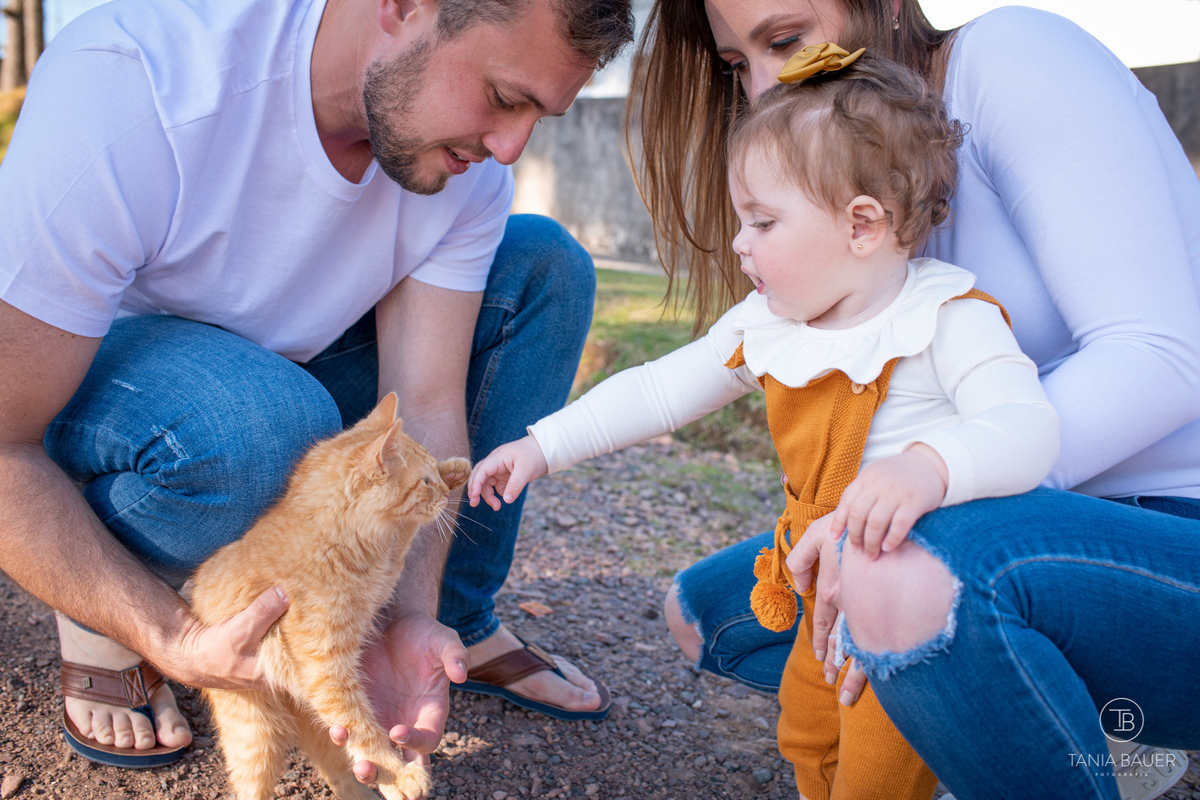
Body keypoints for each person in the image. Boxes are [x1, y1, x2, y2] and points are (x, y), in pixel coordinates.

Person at [0, 0, 631, 777]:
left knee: (541, 265)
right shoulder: (138, 84)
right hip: (119, 387)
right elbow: (2, 444)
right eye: (505, 98)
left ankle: (452, 623)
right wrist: (168, 635)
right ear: (402, 8)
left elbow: (426, 405)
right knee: (266, 428)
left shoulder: (463, 165)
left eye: (540, 114)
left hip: (287, 365)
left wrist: (408, 615)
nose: (509, 147)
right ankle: (107, 599)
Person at [626, 0, 1200, 798]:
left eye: (786, 42)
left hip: (1171, 524)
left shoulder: (1011, 56)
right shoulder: (852, 172)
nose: (762, 89)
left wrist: (927, 483)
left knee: (899, 575)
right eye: (736, 65)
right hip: (1015, 526)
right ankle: (1042, 718)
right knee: (711, 615)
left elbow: (1162, 359)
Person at [467, 51, 1061, 800]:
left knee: (879, 760)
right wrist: (541, 445)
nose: (741, 242)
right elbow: (659, 390)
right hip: (819, 581)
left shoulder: (948, 320)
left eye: (763, 221)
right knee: (808, 731)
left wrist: (927, 467)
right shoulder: (770, 326)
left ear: (862, 224)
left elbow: (1027, 428)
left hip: (915, 600)